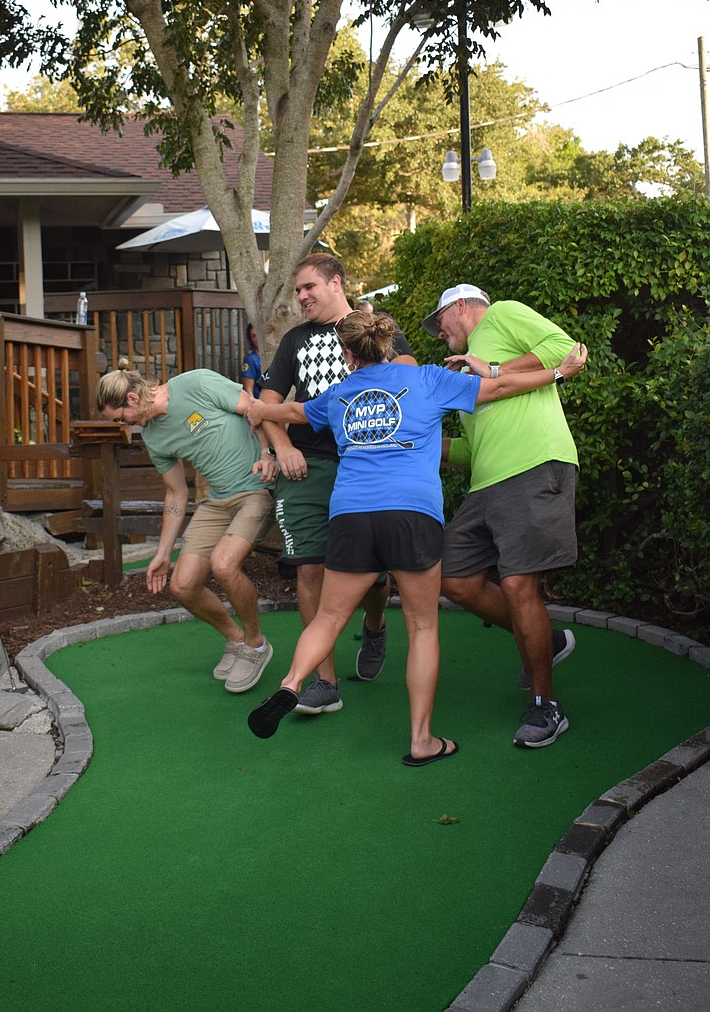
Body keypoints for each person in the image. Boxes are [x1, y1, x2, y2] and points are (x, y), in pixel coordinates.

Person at [245, 312, 588, 761]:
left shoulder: (341, 393)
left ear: (348, 356)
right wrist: (558, 373)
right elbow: (500, 387)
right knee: (423, 626)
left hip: (351, 514)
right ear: (386, 346)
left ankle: (291, 683)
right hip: (411, 512)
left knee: (329, 618)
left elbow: (290, 411)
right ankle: (422, 740)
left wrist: (256, 408)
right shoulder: (427, 379)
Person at [423, 283, 584, 749]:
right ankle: (545, 643)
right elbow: (471, 449)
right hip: (487, 485)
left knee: (517, 584)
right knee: (454, 577)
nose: (439, 335)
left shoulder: (503, 314)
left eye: (440, 324)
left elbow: (562, 349)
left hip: (534, 464)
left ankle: (545, 706)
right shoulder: (466, 374)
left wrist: (491, 367)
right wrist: (408, 443)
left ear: (461, 308)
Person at [259, 252, 417, 714]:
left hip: (365, 463)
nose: (302, 297)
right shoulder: (294, 340)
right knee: (310, 569)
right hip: (307, 464)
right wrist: (280, 448)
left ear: (336, 283)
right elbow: (268, 402)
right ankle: (324, 682)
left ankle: (374, 625)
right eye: (297, 290)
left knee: (371, 575)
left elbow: (408, 375)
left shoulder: (374, 329)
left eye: (309, 287)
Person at [97, 363, 277, 693]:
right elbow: (176, 492)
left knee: (224, 565)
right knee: (182, 585)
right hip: (217, 502)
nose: (126, 427)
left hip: (255, 489)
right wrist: (163, 553)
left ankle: (256, 644)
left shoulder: (195, 383)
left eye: (122, 418)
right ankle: (236, 640)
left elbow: (255, 408)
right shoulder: (152, 436)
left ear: (134, 399)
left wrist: (267, 452)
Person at [240, 323, 262, 399]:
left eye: (259, 334)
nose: (257, 338)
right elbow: (248, 390)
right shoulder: (251, 360)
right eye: (253, 336)